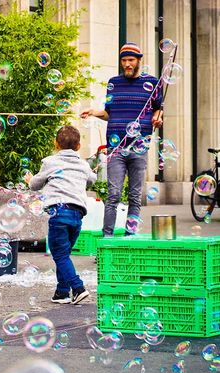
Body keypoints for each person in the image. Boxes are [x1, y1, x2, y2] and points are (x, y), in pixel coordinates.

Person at [80, 42, 164, 236]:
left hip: (139, 146)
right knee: (113, 195)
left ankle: (129, 238)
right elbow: (109, 113)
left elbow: (158, 109)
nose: (127, 64)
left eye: (131, 60)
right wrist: (94, 112)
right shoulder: (114, 83)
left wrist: (158, 118)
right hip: (116, 147)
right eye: (124, 60)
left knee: (135, 196)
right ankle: (107, 240)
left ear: (139, 61)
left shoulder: (152, 83)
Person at [25, 126, 96, 304]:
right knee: (64, 253)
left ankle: (78, 288)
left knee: (60, 255)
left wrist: (29, 179)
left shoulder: (50, 162)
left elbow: (35, 184)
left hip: (59, 213)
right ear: (79, 146)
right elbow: (92, 179)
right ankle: (62, 292)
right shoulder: (83, 164)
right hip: (77, 215)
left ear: (56, 144)